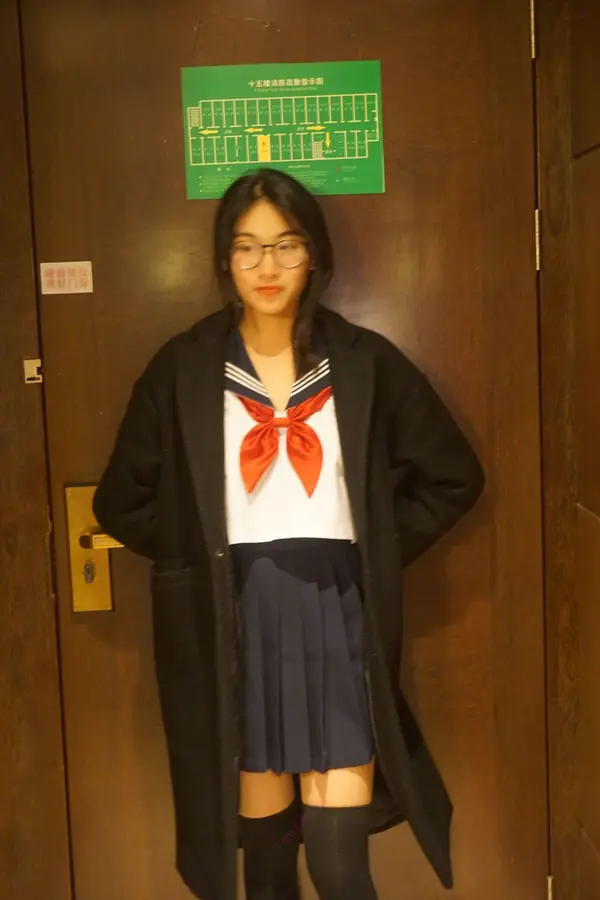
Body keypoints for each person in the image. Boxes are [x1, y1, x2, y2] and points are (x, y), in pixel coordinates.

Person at [93, 168, 485, 900]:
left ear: (315, 254)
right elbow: (120, 501)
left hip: (338, 616)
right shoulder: (183, 367)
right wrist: (197, 557)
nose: (266, 267)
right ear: (225, 259)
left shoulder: (363, 362)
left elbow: (453, 478)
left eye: (285, 245)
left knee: (340, 866)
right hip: (230, 622)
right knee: (268, 864)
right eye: (246, 247)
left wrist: (376, 549)